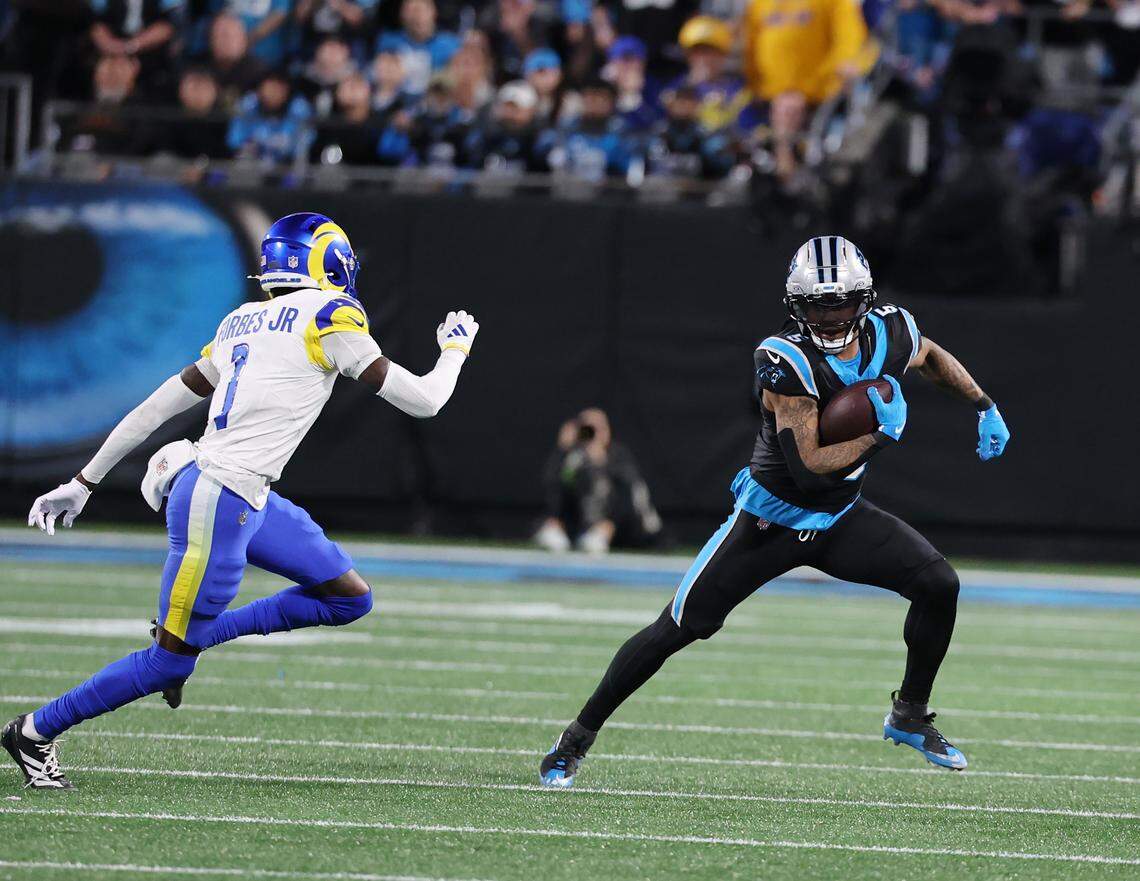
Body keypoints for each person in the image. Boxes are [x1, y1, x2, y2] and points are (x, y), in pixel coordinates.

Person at [5, 212, 481, 789]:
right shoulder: (331, 316)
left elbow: (156, 408)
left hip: (243, 494)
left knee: (348, 598)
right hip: (219, 499)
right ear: (329, 261)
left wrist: (85, 480)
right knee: (167, 665)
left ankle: (194, 632)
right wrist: (454, 350)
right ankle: (33, 732)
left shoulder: (240, 321)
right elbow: (426, 401)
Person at [538, 235, 1011, 787]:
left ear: (865, 299)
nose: (832, 318)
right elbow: (810, 469)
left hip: (839, 518)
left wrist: (984, 405)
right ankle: (574, 740)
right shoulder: (784, 358)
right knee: (676, 628)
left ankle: (909, 715)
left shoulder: (891, 330)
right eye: (818, 306)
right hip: (770, 521)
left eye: (842, 304)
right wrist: (879, 437)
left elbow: (928, 355)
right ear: (796, 305)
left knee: (939, 584)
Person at [535, 408, 663, 554]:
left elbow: (630, 498)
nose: (592, 433)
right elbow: (556, 491)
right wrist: (562, 452)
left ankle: (599, 535)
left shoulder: (619, 456)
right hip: (582, 525)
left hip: (623, 529)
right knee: (553, 528)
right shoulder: (573, 458)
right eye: (586, 428)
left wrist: (601, 464)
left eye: (597, 428)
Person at [742, 0, 878, 105]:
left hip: (816, 95)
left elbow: (849, 37)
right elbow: (749, 46)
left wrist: (842, 67)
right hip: (768, 97)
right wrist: (755, 85)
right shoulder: (760, 4)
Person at [226, 69, 313, 163]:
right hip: (253, 164)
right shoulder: (248, 105)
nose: (272, 93)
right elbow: (234, 140)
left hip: (287, 165)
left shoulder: (299, 108)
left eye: (278, 88)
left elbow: (303, 144)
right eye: (269, 87)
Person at [375, 0, 460, 96]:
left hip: (434, 101)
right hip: (395, 101)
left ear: (434, 12)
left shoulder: (450, 45)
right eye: (411, 10)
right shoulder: (388, 42)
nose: (417, 16)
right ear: (402, 14)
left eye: (421, 10)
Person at [200, 12, 269, 113]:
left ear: (243, 39)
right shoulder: (199, 69)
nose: (225, 42)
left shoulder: (260, 73)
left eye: (230, 36)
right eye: (219, 36)